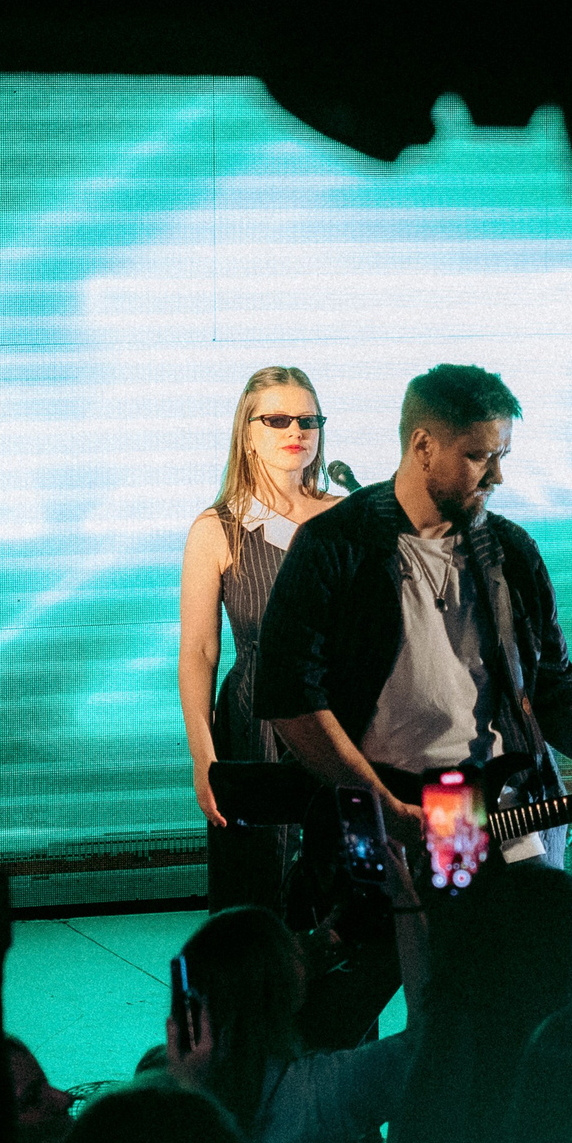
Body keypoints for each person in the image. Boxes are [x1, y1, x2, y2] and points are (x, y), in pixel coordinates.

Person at [255, 362, 572, 1048]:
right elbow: (290, 701)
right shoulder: (335, 547)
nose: (496, 476)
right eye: (479, 456)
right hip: (392, 795)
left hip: (493, 797)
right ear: (423, 445)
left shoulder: (511, 553)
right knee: (384, 1008)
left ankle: (525, 1122)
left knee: (525, 1000)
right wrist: (382, 807)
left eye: (502, 457)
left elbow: (554, 695)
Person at [179, 366, 345, 911]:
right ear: (246, 432)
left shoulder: (347, 516)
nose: (295, 430)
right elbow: (200, 654)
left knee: (338, 897)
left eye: (307, 419)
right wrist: (205, 760)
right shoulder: (217, 527)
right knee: (255, 902)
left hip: (342, 720)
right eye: (277, 419)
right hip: (253, 725)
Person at [161, 905, 413, 1143]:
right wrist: (409, 903)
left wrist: (184, 1090)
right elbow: (429, 1040)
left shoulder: (172, 1089)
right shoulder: (330, 1088)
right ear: (289, 987)